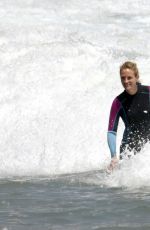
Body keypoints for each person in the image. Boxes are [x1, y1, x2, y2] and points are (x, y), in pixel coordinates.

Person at [107, 61, 150, 170]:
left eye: (129, 77)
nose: (126, 81)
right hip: (129, 151)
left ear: (136, 77)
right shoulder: (118, 102)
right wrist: (113, 157)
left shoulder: (148, 92)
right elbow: (111, 131)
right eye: (123, 78)